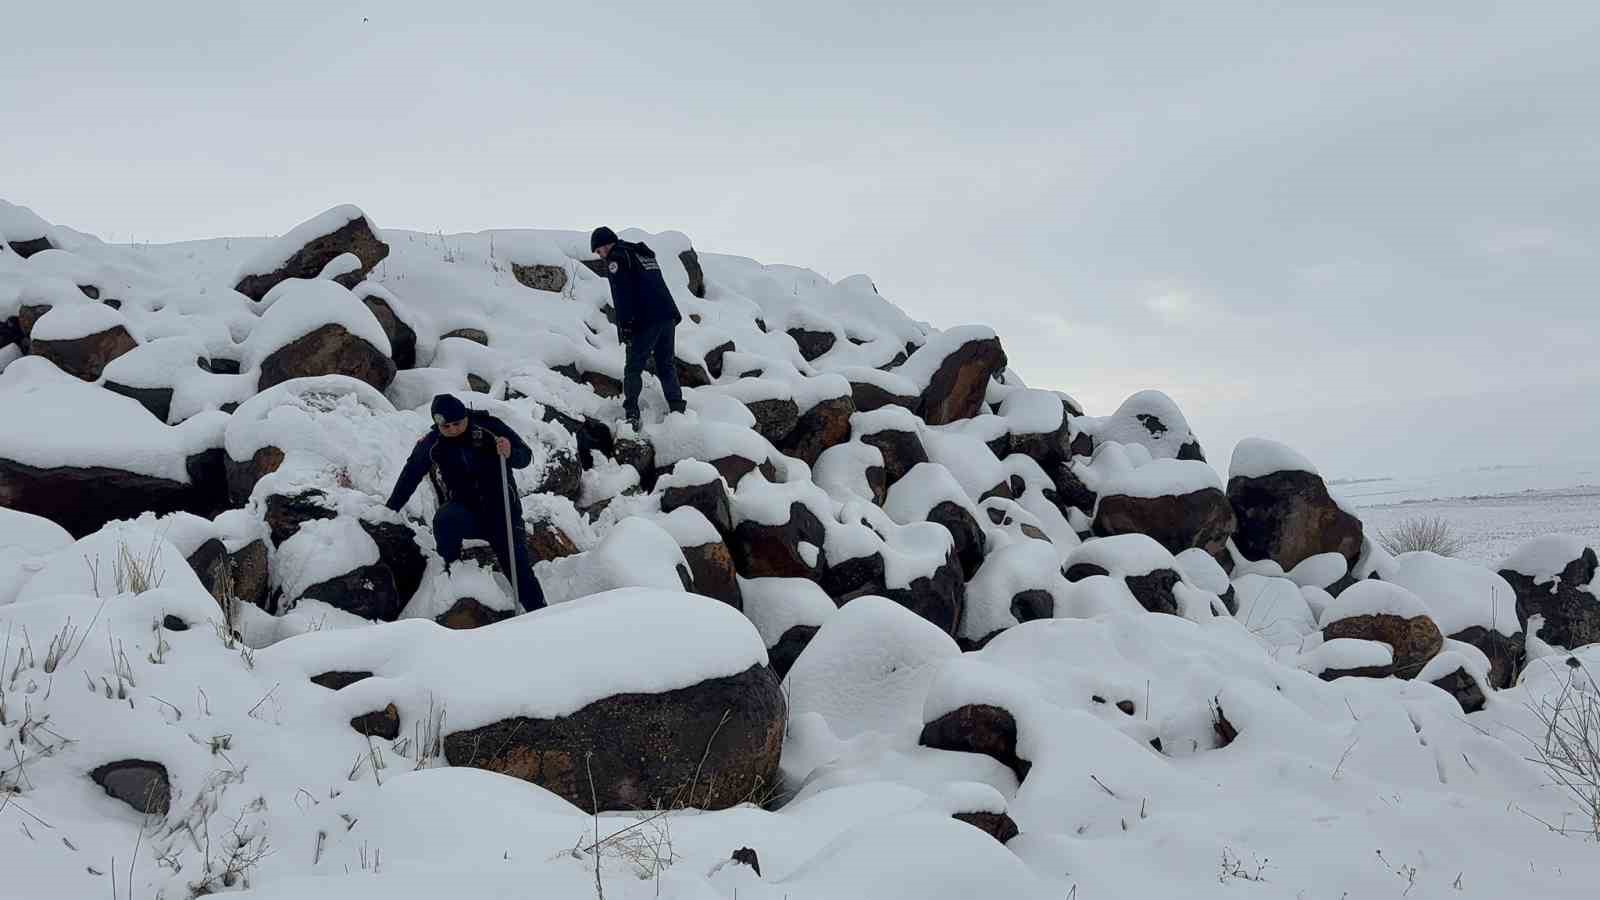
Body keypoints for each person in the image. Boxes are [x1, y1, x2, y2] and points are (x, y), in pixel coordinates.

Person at [385, 394, 546, 613]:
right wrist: (389, 509)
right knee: (444, 519)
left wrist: (510, 453)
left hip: (503, 513)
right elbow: (410, 474)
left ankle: (543, 616)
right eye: (445, 425)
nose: (452, 429)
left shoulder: (490, 426)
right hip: (466, 511)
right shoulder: (433, 442)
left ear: (466, 417)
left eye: (457, 423)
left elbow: (525, 456)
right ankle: (451, 569)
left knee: (520, 571)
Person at [591, 225, 685, 429]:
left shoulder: (617, 257)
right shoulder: (641, 253)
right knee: (666, 364)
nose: (600, 256)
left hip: (645, 320)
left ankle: (632, 413)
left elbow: (622, 294)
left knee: (633, 368)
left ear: (606, 245)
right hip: (667, 315)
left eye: (599, 251)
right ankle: (678, 409)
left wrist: (626, 326)